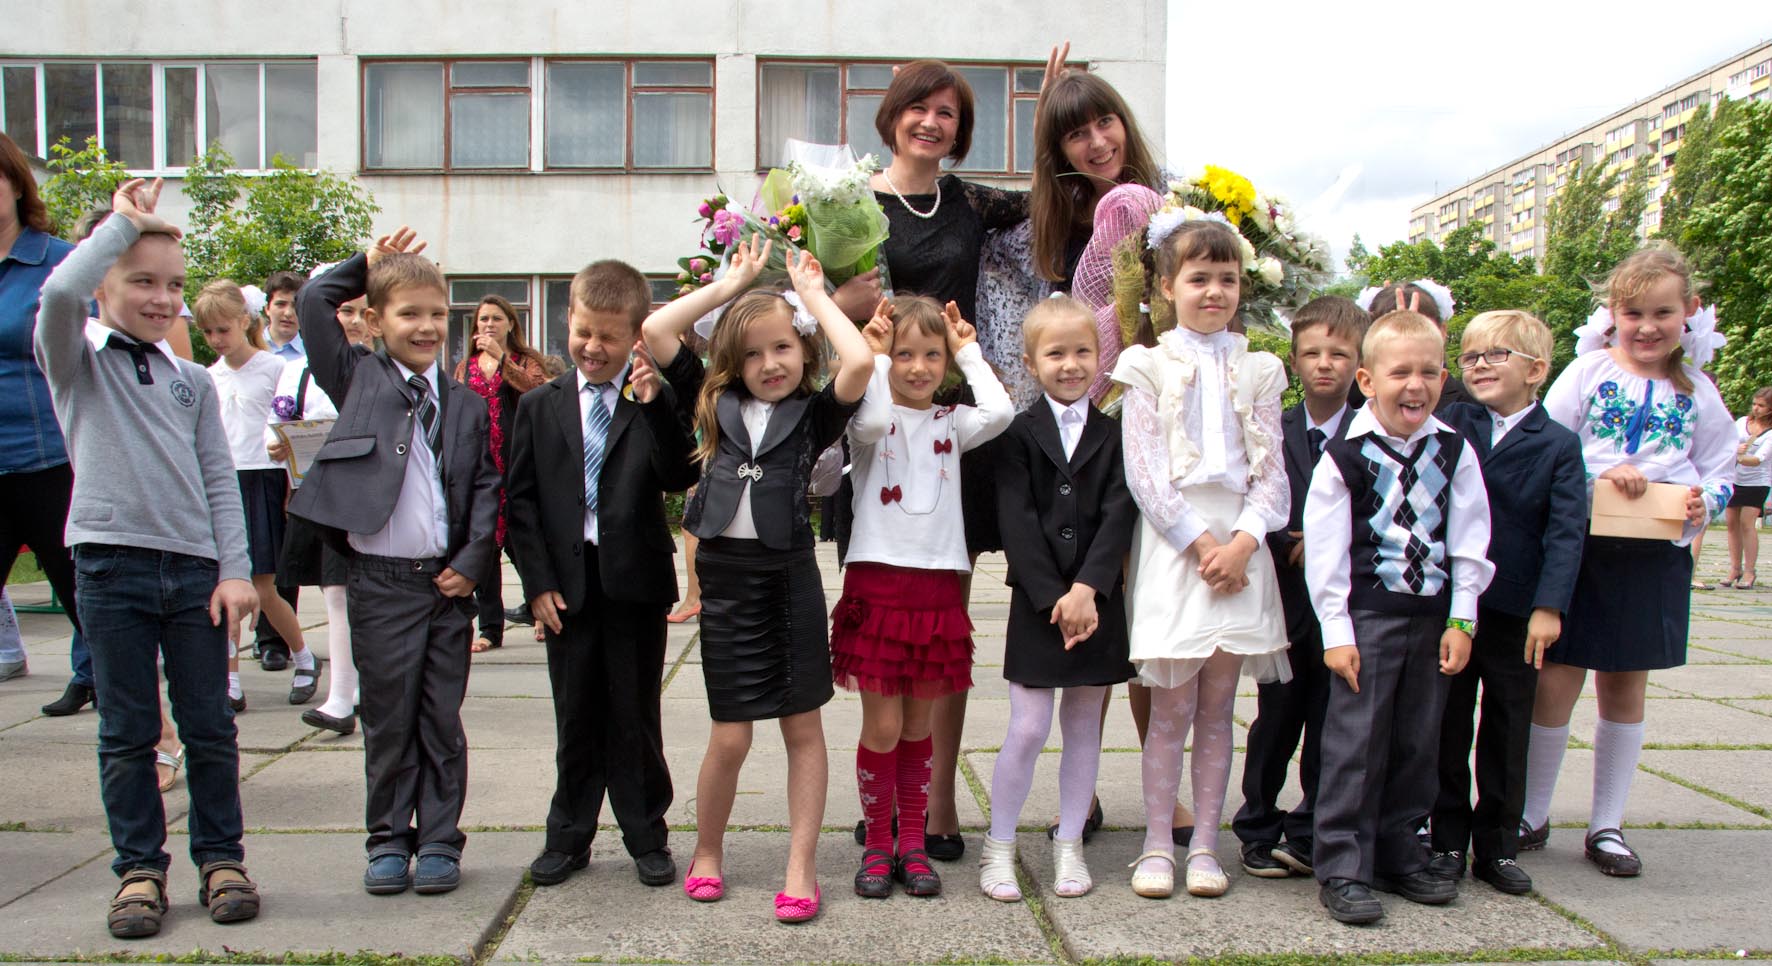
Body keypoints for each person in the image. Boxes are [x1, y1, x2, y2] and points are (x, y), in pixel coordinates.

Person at [35, 177, 261, 938]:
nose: (162, 299)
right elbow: (58, 293)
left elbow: (220, 484)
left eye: (174, 285)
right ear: (103, 284)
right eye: (141, 281)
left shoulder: (192, 382)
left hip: (194, 575)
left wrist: (235, 571)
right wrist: (120, 225)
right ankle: (139, 868)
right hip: (109, 570)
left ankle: (222, 859)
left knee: (210, 727)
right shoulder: (77, 364)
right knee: (127, 732)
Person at [833, 58, 1032, 865]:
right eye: (918, 107)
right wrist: (846, 311)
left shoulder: (970, 202)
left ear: (960, 129)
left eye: (947, 112)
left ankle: (935, 804)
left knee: (940, 634)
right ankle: (885, 815)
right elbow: (814, 306)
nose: (931, 122)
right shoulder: (846, 203)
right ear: (892, 115)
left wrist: (1055, 104)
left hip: (950, 428)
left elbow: (1054, 198)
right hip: (877, 425)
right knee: (888, 636)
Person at [643, 238, 874, 923]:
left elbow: (860, 360)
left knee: (803, 727)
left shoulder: (816, 413)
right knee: (731, 735)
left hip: (788, 580)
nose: (769, 364)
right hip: (728, 582)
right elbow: (656, 329)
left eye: (782, 348)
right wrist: (731, 285)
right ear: (730, 361)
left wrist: (814, 299)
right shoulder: (711, 399)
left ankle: (801, 864)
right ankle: (707, 850)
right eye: (751, 353)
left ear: (803, 349)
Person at [287, 227, 500, 896]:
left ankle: (438, 839)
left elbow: (486, 486)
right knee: (388, 720)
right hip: (379, 585)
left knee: (440, 719)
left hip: (445, 588)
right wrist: (367, 263)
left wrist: (472, 559)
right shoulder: (358, 378)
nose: (427, 326)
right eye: (409, 313)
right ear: (376, 322)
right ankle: (387, 839)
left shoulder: (465, 404)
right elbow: (314, 301)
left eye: (437, 313)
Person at [1522, 245, 1737, 877]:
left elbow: (1721, 466)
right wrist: (1599, 474)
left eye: (1662, 313)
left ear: (1689, 311)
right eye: (1633, 313)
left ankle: (1607, 825)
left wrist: (1704, 500)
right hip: (1580, 547)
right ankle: (1531, 814)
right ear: (1612, 313)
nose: (1647, 327)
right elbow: (1549, 445)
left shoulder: (1699, 390)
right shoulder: (1587, 372)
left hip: (1653, 555)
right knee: (1557, 676)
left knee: (1625, 682)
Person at [1111, 219, 1291, 900]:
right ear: (1166, 286)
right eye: (1199, 278)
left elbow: (1273, 474)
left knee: (1219, 707)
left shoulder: (1261, 369)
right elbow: (1145, 473)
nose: (1214, 291)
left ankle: (1209, 845)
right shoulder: (1146, 366)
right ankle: (1158, 843)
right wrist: (1202, 544)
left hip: (1242, 547)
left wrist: (1243, 542)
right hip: (1177, 546)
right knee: (1171, 709)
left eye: (1227, 279)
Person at [503, 259, 695, 893]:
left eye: (609, 337)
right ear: (568, 321)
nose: (593, 347)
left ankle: (646, 834)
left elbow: (680, 474)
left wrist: (657, 404)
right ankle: (568, 835)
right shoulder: (539, 405)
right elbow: (521, 501)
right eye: (584, 331)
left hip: (634, 582)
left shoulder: (648, 400)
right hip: (567, 584)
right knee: (576, 713)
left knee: (635, 714)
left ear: (636, 334)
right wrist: (536, 584)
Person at [1305, 309, 1493, 924]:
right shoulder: (1345, 455)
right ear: (1367, 380)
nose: (1416, 385)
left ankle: (1398, 849)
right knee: (1355, 742)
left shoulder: (1454, 450)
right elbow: (1326, 552)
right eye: (1401, 372)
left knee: (1418, 739)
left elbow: (1470, 539)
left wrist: (1462, 619)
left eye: (1430, 373)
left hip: (1432, 619)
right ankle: (1342, 863)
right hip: (1367, 618)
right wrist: (1336, 631)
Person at [834, 294, 1013, 899]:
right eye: (905, 354)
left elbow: (1001, 410)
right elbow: (870, 423)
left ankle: (913, 843)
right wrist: (875, 358)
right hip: (878, 584)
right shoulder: (872, 419)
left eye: (931, 355)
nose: (918, 367)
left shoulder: (952, 422)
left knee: (918, 727)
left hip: (936, 588)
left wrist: (969, 350)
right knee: (883, 726)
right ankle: (877, 845)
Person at [978, 295, 1134, 902]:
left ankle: (1070, 841)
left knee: (1085, 727)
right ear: (1030, 362)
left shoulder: (1115, 434)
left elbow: (1119, 513)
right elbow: (1016, 521)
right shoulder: (1017, 434)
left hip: (1097, 603)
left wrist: (1088, 590)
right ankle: (999, 844)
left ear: (1100, 356)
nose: (1071, 364)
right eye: (1056, 353)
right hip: (1038, 604)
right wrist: (1055, 599)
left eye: (1082, 351)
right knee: (1028, 727)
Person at [1428, 310, 1586, 896]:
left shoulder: (1559, 444)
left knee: (1508, 725)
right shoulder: (1451, 422)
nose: (1479, 366)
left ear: (1536, 370)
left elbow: (1566, 532)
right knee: (1447, 723)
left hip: (1518, 608)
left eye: (1496, 355)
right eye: (1470, 356)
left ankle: (1497, 845)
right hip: (1453, 603)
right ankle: (1445, 839)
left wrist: (1550, 606)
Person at [1233, 295, 1367, 880]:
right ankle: (1257, 824)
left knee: (1331, 718)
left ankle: (1311, 827)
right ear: (1293, 360)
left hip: (1344, 603)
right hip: (1283, 596)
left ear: (1360, 363)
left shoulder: (1372, 429)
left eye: (1339, 354)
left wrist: (1332, 539)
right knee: (1276, 718)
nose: (1325, 364)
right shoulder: (1274, 427)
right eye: (1312, 353)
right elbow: (1251, 492)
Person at [194, 280, 320, 709]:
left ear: (244, 321)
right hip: (222, 481)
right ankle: (229, 679)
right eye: (208, 332)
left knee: (264, 586)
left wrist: (287, 475)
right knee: (223, 582)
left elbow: (288, 428)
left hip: (262, 479)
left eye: (223, 329)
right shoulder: (207, 377)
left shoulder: (275, 369)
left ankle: (303, 656)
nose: (216, 339)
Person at [0, 133, 89, 714]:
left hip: (52, 461)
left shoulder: (58, 262)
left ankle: (150, 730)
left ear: (16, 184)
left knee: (90, 604)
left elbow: (97, 352)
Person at [270, 290, 373, 735]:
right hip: (322, 492)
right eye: (344, 311)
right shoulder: (296, 371)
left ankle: (359, 689)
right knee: (335, 592)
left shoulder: (378, 367)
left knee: (363, 594)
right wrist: (279, 446)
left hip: (368, 492)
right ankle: (341, 695)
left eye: (360, 312)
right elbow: (280, 426)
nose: (352, 321)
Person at [452, 293, 549, 653]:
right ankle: (490, 628)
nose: (489, 324)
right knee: (485, 546)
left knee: (522, 541)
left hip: (519, 463)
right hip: (481, 467)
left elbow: (538, 392)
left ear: (510, 323)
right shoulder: (465, 367)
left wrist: (501, 358)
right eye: (483, 319)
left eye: (496, 318)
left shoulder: (526, 360)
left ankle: (541, 606)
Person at [252, 269, 310, 672]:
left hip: (294, 466)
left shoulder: (310, 356)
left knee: (286, 556)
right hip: (255, 465)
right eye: (281, 304)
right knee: (260, 557)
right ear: (268, 308)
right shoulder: (253, 353)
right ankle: (266, 637)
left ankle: (279, 638)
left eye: (295, 305)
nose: (288, 313)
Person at [1352, 282, 1473, 411]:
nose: (1410, 341)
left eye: (1421, 329)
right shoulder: (1348, 397)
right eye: (1394, 333)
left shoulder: (1469, 404)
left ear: (1442, 332)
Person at [1723, 387, 1772, 589]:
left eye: (1762, 405)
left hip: (1757, 482)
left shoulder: (1770, 433)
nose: (1756, 408)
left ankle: (1750, 571)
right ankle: (1735, 568)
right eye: (1754, 404)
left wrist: (1739, 456)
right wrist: (1734, 451)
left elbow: (1759, 459)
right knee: (1731, 523)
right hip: (1735, 478)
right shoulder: (1742, 423)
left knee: (1747, 524)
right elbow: (1726, 443)